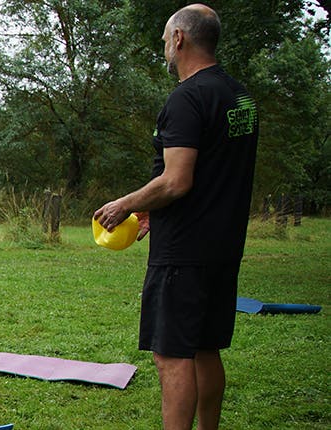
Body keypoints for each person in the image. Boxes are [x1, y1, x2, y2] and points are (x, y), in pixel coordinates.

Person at [93, 5, 257, 430]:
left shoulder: (187, 97)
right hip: (223, 246)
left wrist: (126, 204)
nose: (165, 48)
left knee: (171, 354)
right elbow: (211, 173)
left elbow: (176, 181)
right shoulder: (239, 97)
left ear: (180, 39)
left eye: (166, 40)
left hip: (184, 251)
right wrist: (151, 209)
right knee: (206, 348)